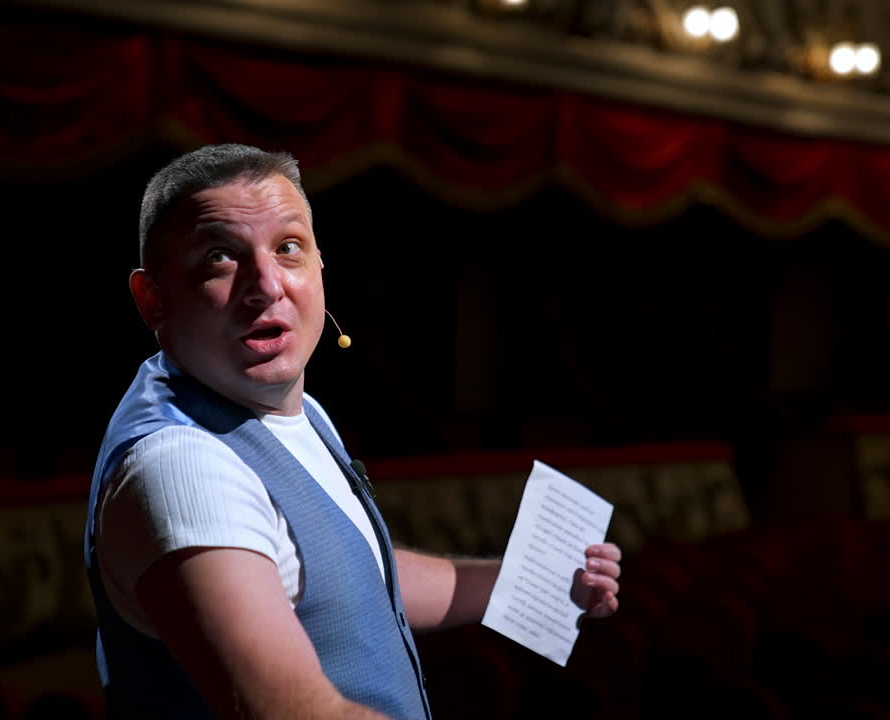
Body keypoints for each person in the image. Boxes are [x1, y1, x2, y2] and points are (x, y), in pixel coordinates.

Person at [84, 143, 622, 719]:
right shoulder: (180, 465)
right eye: (220, 256)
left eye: (288, 247)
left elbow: (348, 575)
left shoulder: (299, 411)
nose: (267, 284)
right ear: (153, 299)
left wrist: (528, 582)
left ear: (320, 266)